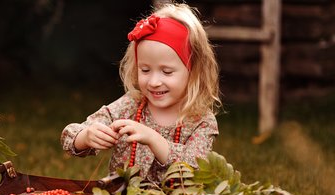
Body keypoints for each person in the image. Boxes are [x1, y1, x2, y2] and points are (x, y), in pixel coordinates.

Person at [61, 3, 221, 184]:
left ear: (193, 71)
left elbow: (197, 168)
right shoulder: (131, 105)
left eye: (167, 72)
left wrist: (153, 139)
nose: (153, 82)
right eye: (145, 70)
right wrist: (86, 137)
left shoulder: (200, 120)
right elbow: (70, 136)